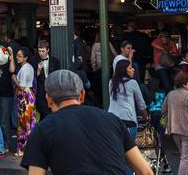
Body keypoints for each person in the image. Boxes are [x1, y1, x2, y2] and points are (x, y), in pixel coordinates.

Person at [20, 69, 153, 175]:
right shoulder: (113, 120)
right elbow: (145, 171)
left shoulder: (42, 130)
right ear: (82, 95)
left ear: (48, 99)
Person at [108, 59, 148, 175]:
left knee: (116, 154)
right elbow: (141, 104)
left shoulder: (111, 82)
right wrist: (146, 117)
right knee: (129, 157)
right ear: (125, 70)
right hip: (128, 122)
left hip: (112, 121)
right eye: (130, 68)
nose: (133, 69)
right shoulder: (133, 83)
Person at [13, 47, 36, 157]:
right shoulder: (29, 67)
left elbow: (21, 86)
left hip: (25, 96)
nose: (17, 57)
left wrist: (14, 79)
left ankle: (23, 149)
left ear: (26, 57)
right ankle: (27, 149)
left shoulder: (25, 68)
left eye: (20, 56)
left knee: (24, 123)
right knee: (29, 122)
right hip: (28, 95)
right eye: (17, 55)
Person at [29, 40, 59, 119]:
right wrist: (38, 70)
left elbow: (57, 77)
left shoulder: (55, 61)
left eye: (43, 51)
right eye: (39, 51)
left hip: (52, 92)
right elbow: (31, 77)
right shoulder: (34, 60)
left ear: (48, 50)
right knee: (44, 112)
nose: (41, 53)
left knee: (50, 112)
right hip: (40, 92)